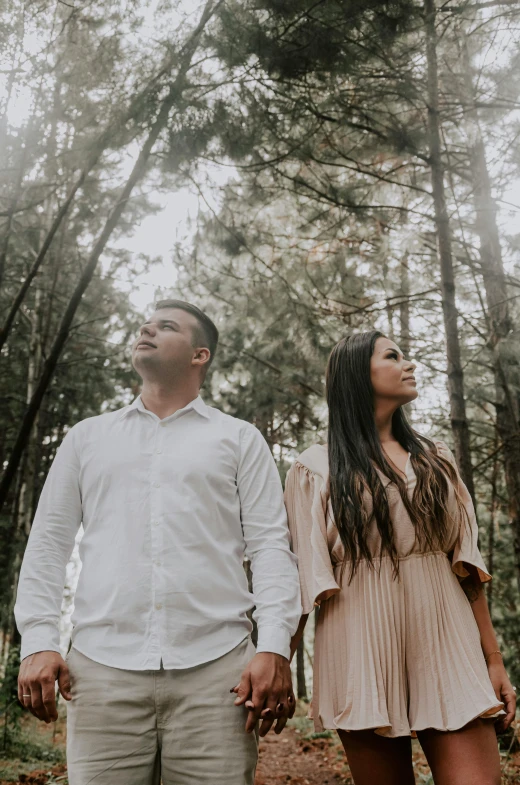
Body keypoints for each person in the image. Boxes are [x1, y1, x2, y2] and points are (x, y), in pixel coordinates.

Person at [15, 299, 301, 785]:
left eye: (166, 326)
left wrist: (273, 647)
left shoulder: (240, 439)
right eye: (145, 324)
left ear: (199, 355)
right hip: (101, 672)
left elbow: (271, 547)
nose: (147, 329)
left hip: (219, 674)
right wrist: (38, 641)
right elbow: (47, 545)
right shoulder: (86, 438)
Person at [285, 331, 516, 785]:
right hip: (358, 641)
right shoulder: (314, 468)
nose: (409, 364)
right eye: (393, 356)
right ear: (356, 375)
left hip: (446, 634)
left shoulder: (436, 458)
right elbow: (301, 578)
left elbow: (467, 568)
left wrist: (494, 659)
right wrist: (277, 662)